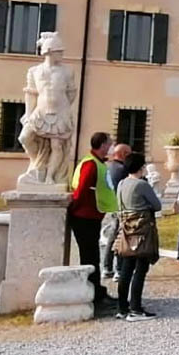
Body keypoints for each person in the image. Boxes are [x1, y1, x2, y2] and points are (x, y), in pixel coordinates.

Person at [69, 131, 117, 304]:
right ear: (102, 144)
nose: (111, 147)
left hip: (91, 215)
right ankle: (93, 292)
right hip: (84, 215)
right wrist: (74, 208)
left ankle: (96, 290)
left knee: (92, 254)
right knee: (89, 255)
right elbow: (81, 189)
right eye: (109, 143)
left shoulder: (96, 162)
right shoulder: (91, 164)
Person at [113, 152, 161, 321]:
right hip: (141, 229)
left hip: (125, 228)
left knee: (126, 268)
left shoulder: (121, 183)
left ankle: (122, 307)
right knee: (140, 269)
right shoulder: (141, 185)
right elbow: (157, 205)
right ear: (141, 167)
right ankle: (136, 308)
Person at [100, 142, 131, 282]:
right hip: (121, 206)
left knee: (113, 235)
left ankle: (107, 267)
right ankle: (119, 269)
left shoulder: (110, 167)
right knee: (120, 236)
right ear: (124, 154)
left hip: (113, 205)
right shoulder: (122, 169)